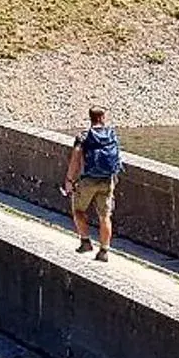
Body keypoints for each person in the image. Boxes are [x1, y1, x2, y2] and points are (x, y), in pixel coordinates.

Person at [61, 106, 123, 263]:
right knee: (105, 216)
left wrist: (69, 180)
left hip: (88, 180)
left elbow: (76, 158)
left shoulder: (84, 136)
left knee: (78, 210)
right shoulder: (112, 134)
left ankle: (86, 242)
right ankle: (104, 251)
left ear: (91, 118)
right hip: (107, 180)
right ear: (103, 118)